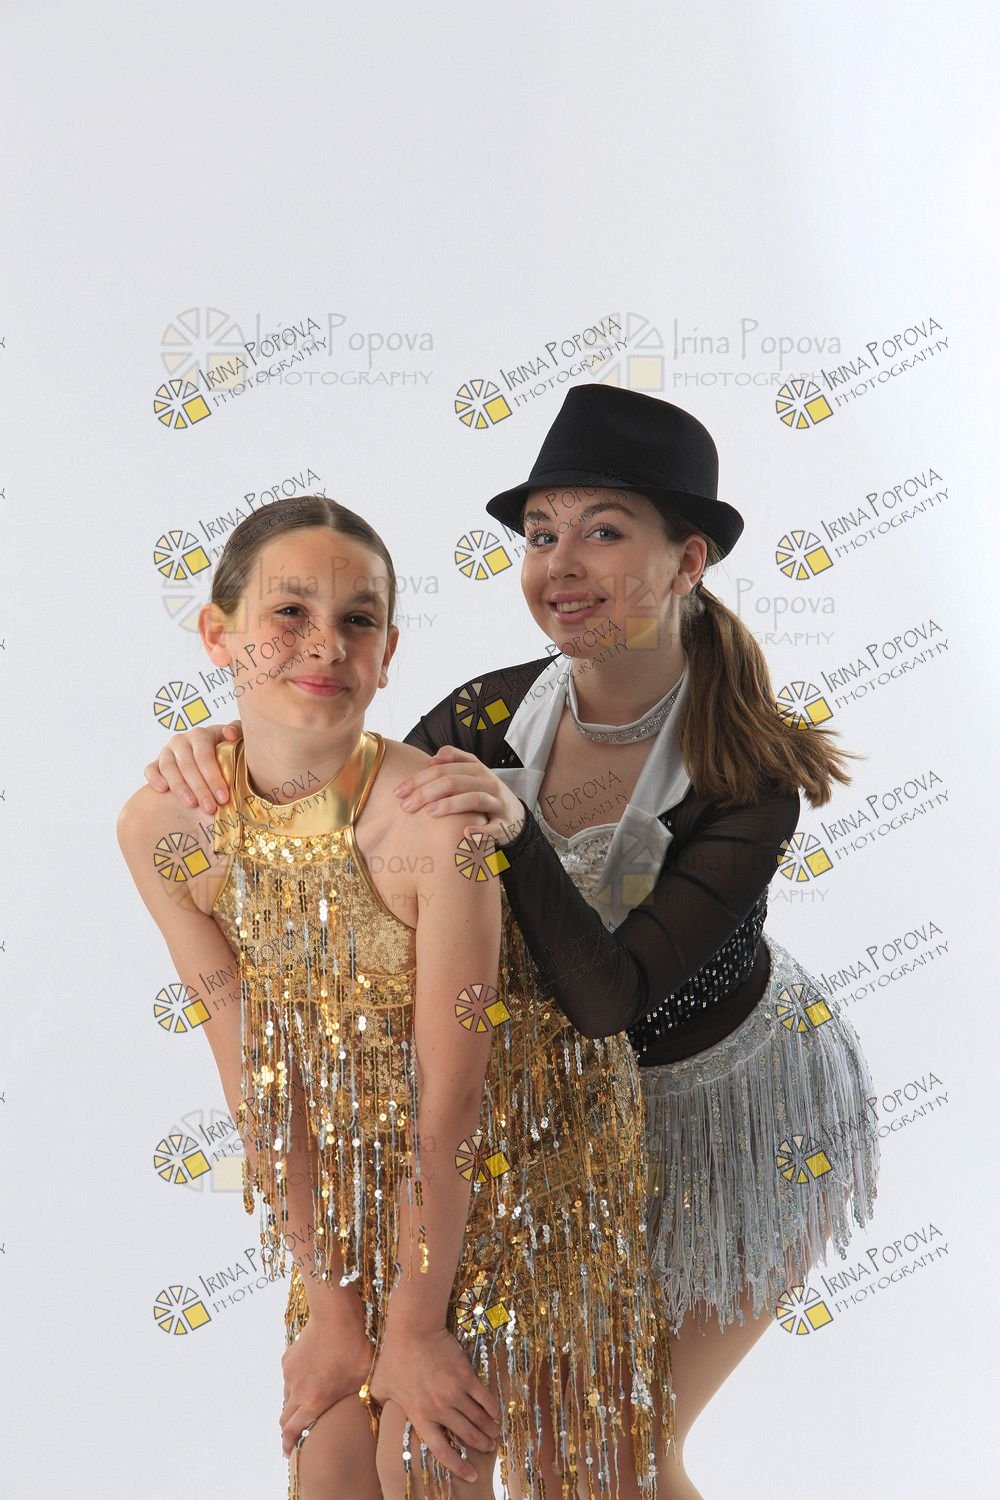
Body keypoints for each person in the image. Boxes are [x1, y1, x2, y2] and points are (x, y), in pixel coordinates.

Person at [146, 385, 881, 1498]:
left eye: (603, 532)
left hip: (715, 1115)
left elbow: (610, 1001)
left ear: (687, 561)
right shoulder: (487, 714)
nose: (560, 565)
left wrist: (518, 830)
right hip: (543, 1117)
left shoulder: (750, 775)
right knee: (434, 1432)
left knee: (612, 1454)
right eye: (541, 535)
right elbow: (340, 786)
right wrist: (220, 747)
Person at [121, 492, 673, 1500]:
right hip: (358, 1180)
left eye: (358, 619)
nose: (325, 645)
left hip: (523, 1160)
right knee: (332, 1464)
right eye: (289, 613)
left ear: (388, 655)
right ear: (217, 635)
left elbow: (452, 1102)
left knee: (424, 1460)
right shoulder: (161, 828)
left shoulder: (432, 822)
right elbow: (255, 1083)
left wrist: (414, 1327)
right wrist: (333, 1309)